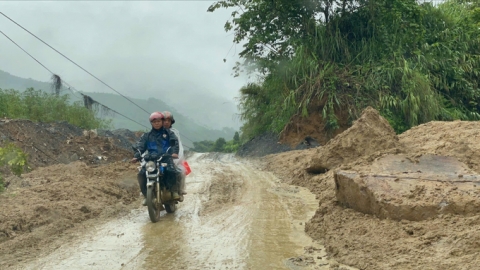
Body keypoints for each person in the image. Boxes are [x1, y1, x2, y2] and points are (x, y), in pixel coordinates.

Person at [131, 111, 180, 206]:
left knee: (171, 171)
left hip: (165, 157)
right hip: (151, 159)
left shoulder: (169, 133)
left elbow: (174, 144)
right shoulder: (147, 136)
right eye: (154, 122)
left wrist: (174, 152)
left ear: (162, 121)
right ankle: (146, 196)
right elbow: (140, 147)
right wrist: (136, 156)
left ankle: (173, 191)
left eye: (158, 121)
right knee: (141, 174)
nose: (157, 123)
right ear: (151, 123)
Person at [163, 111, 187, 200]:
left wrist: (176, 157)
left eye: (168, 120)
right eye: (164, 120)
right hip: (158, 158)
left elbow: (179, 146)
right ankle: (145, 192)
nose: (166, 122)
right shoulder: (155, 132)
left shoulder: (174, 133)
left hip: (171, 158)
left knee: (180, 171)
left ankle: (179, 191)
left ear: (171, 122)